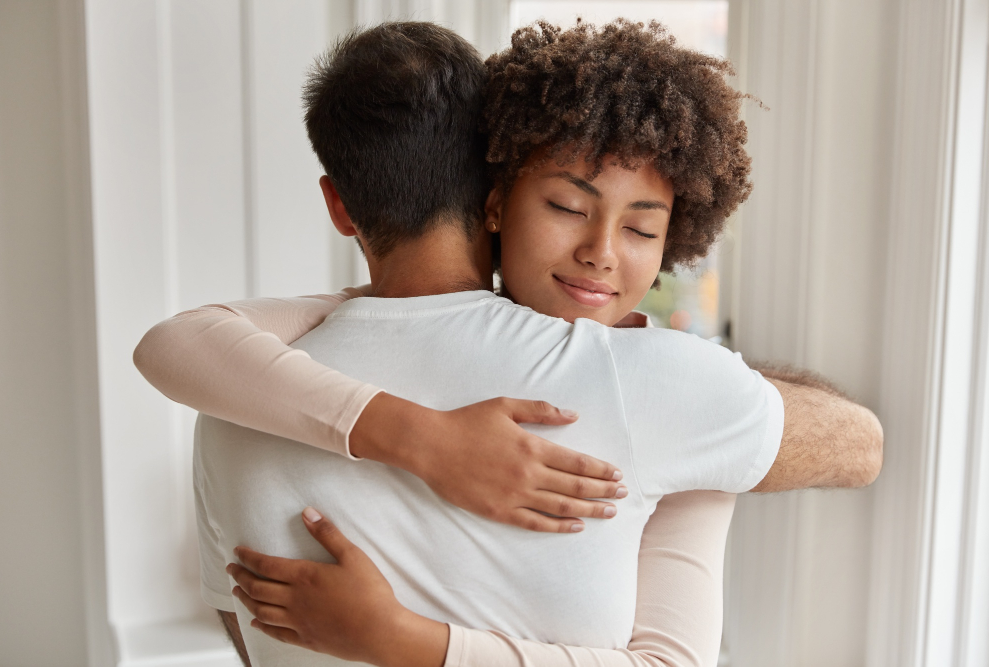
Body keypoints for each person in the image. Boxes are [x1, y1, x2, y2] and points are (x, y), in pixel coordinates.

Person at [135, 20, 882, 667]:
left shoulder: (235, 403)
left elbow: (247, 633)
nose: (600, 253)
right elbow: (859, 444)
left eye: (642, 229)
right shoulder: (652, 386)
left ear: (340, 203)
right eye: (565, 205)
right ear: (496, 191)